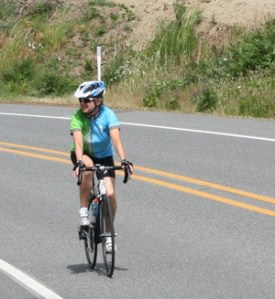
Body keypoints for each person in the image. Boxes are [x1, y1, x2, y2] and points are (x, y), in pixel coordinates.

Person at [70, 80, 133, 252]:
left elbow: (116, 139)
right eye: (80, 101)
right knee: (88, 168)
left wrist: (124, 159)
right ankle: (83, 212)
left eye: (86, 100)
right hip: (84, 154)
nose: (82, 104)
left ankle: (108, 233)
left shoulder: (108, 115)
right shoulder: (77, 116)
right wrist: (79, 162)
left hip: (105, 156)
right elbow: (77, 142)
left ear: (98, 100)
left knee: (111, 195)